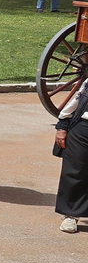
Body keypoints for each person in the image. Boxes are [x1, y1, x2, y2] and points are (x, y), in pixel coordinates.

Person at [53, 84, 88, 233]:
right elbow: (74, 103)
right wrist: (62, 127)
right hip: (83, 130)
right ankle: (70, 215)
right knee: (75, 171)